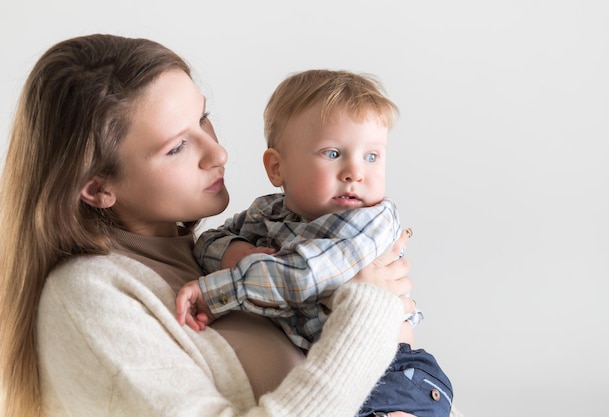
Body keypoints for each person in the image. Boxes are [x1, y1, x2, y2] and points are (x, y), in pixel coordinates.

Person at [0, 34, 423, 417]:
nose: (218, 152)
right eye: (177, 147)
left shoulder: (213, 252)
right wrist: (368, 312)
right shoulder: (88, 296)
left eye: (203, 118)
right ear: (98, 188)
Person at [176, 70, 457, 417]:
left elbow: (307, 274)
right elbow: (208, 240)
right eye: (333, 153)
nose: (356, 171)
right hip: (323, 375)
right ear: (277, 168)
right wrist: (239, 252)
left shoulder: (372, 221)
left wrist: (218, 291)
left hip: (391, 371)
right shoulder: (266, 212)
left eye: (372, 156)